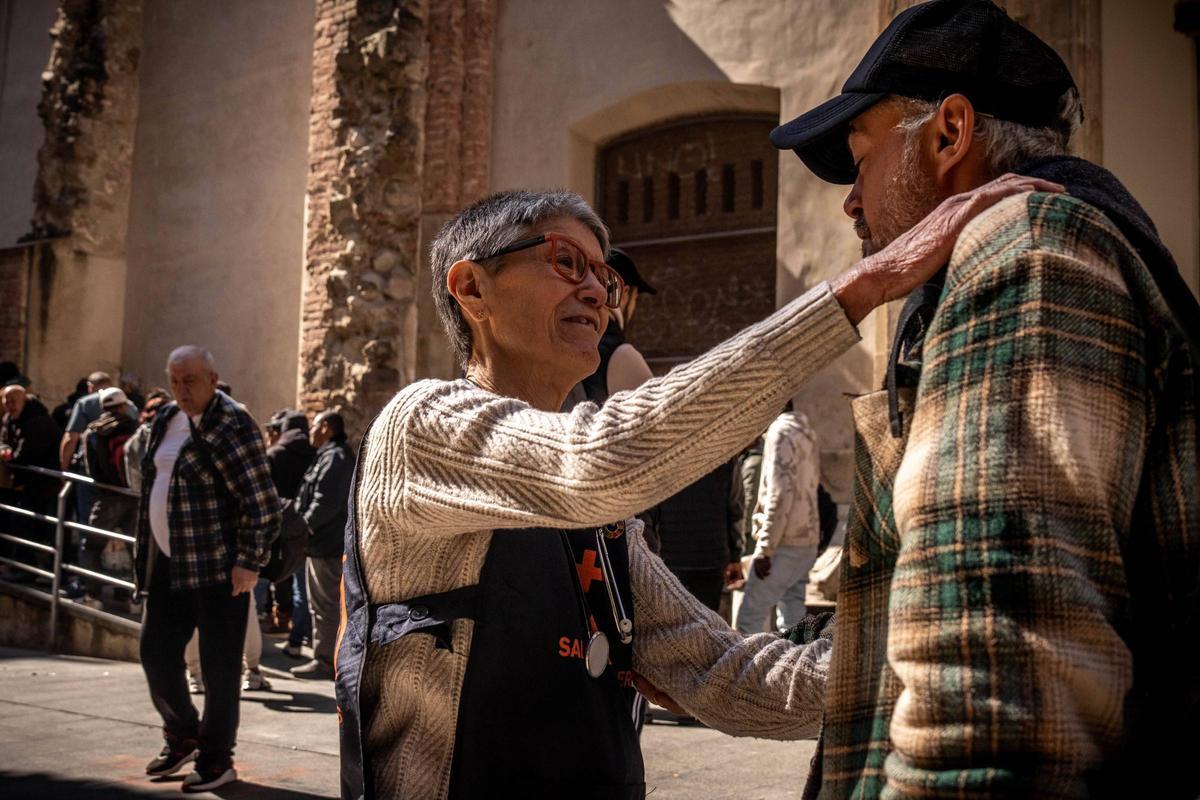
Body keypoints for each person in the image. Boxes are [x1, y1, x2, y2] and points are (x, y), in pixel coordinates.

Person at [334, 179, 1051, 799]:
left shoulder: (603, 521)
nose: (597, 291)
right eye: (564, 262)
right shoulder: (420, 426)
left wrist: (943, 652)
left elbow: (723, 671)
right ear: (471, 289)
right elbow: (600, 460)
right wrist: (865, 286)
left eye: (604, 279)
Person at [769, 1, 1200, 797]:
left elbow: (993, 701)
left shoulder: (1024, 251)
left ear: (949, 134)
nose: (851, 202)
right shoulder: (1034, 249)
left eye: (860, 159)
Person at [134, 346, 279, 793]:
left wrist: (248, 562)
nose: (182, 389)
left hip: (219, 568)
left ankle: (217, 760)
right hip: (168, 563)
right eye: (174, 380)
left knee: (219, 671)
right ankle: (183, 735)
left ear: (213, 379)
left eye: (190, 380)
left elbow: (262, 503)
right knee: (155, 653)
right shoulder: (166, 419)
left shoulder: (232, 423)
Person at [734, 403, 820, 634]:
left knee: (749, 618)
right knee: (793, 619)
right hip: (805, 541)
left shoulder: (780, 433)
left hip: (784, 543)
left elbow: (779, 495)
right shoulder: (805, 432)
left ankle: (747, 669)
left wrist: (764, 550)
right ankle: (796, 666)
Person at [290, 410, 352, 680]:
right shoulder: (330, 456)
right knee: (325, 604)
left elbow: (324, 501)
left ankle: (326, 660)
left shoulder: (335, 458)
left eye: (314, 426)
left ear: (326, 427)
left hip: (326, 544)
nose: (310, 433)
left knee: (324, 605)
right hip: (324, 543)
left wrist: (302, 527)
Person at [652, 458, 744, 613]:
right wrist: (735, 555)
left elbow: (651, 512)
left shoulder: (665, 455)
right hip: (711, 556)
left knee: (672, 624)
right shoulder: (725, 454)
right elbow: (735, 508)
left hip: (670, 556)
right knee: (707, 624)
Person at [79, 387, 140, 610]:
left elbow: (91, 470)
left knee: (92, 545)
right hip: (134, 496)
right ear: (123, 405)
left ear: (102, 407)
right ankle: (131, 597)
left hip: (108, 495)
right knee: (134, 547)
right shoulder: (136, 428)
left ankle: (92, 595)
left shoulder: (93, 432)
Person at [262, 409, 315, 651]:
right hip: (305, 525)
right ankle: (298, 633)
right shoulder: (316, 453)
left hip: (278, 523)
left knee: (276, 574)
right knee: (303, 585)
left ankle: (281, 619)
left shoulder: (274, 454)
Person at [0, 384, 62, 579]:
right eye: (6, 402)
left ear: (24, 400)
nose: (10, 406)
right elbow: (5, 440)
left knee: (45, 528)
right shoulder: (10, 419)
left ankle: (46, 572)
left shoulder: (37, 422)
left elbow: (26, 455)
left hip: (45, 482)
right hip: (28, 482)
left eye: (14, 401)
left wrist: (9, 457)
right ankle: (26, 567)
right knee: (23, 523)